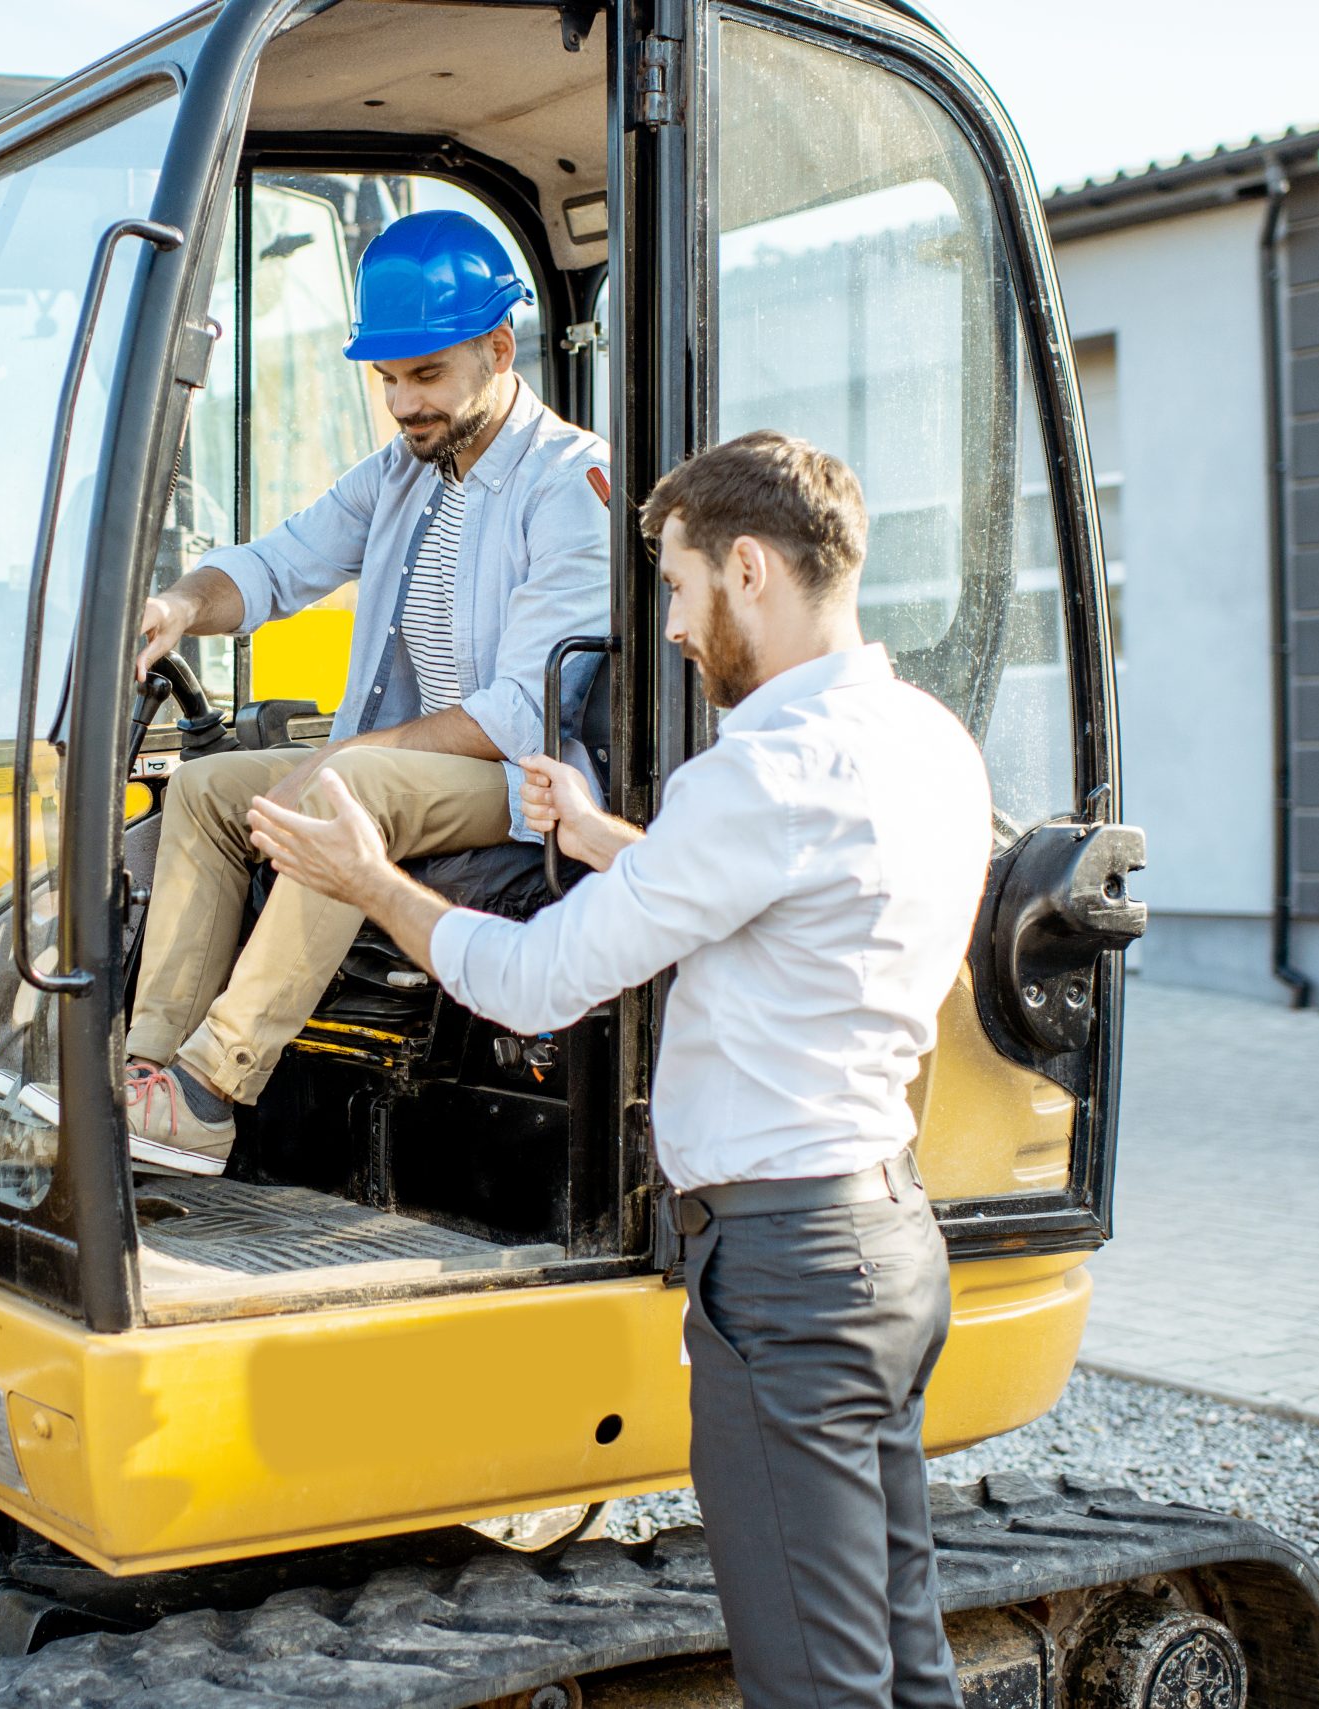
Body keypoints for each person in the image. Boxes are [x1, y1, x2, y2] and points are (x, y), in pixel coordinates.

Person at [247, 430, 992, 1709]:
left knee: (815, 1682)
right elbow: (785, 897)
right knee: (901, 1657)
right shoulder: (921, 738)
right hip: (886, 1239)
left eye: (676, 582)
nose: (673, 623)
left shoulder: (759, 769)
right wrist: (608, 845)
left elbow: (536, 980)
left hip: (788, 1267)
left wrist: (367, 883)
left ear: (749, 567)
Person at [122, 207, 610, 1177]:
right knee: (208, 788)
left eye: (424, 374)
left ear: (499, 347)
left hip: (523, 784)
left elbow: (520, 710)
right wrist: (177, 605)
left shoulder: (569, 483)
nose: (401, 402)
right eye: (387, 378)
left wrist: (353, 755)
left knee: (346, 791)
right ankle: (146, 1073)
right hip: (410, 767)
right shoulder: (404, 473)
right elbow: (275, 566)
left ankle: (217, 1083)